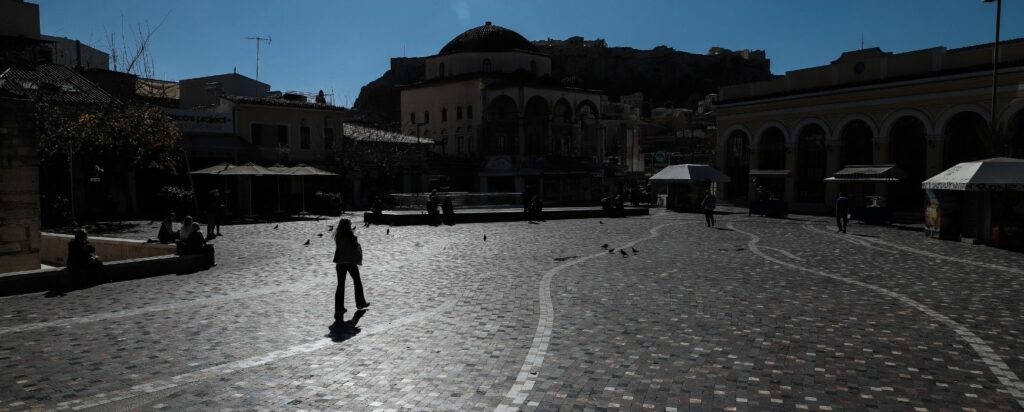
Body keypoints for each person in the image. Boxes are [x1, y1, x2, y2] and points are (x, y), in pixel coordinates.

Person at [332, 218, 369, 332]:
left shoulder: (338, 236)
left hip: (340, 263)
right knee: (357, 282)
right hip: (350, 262)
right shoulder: (350, 235)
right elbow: (354, 247)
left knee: (340, 285)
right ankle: (360, 303)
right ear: (348, 226)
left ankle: (339, 308)